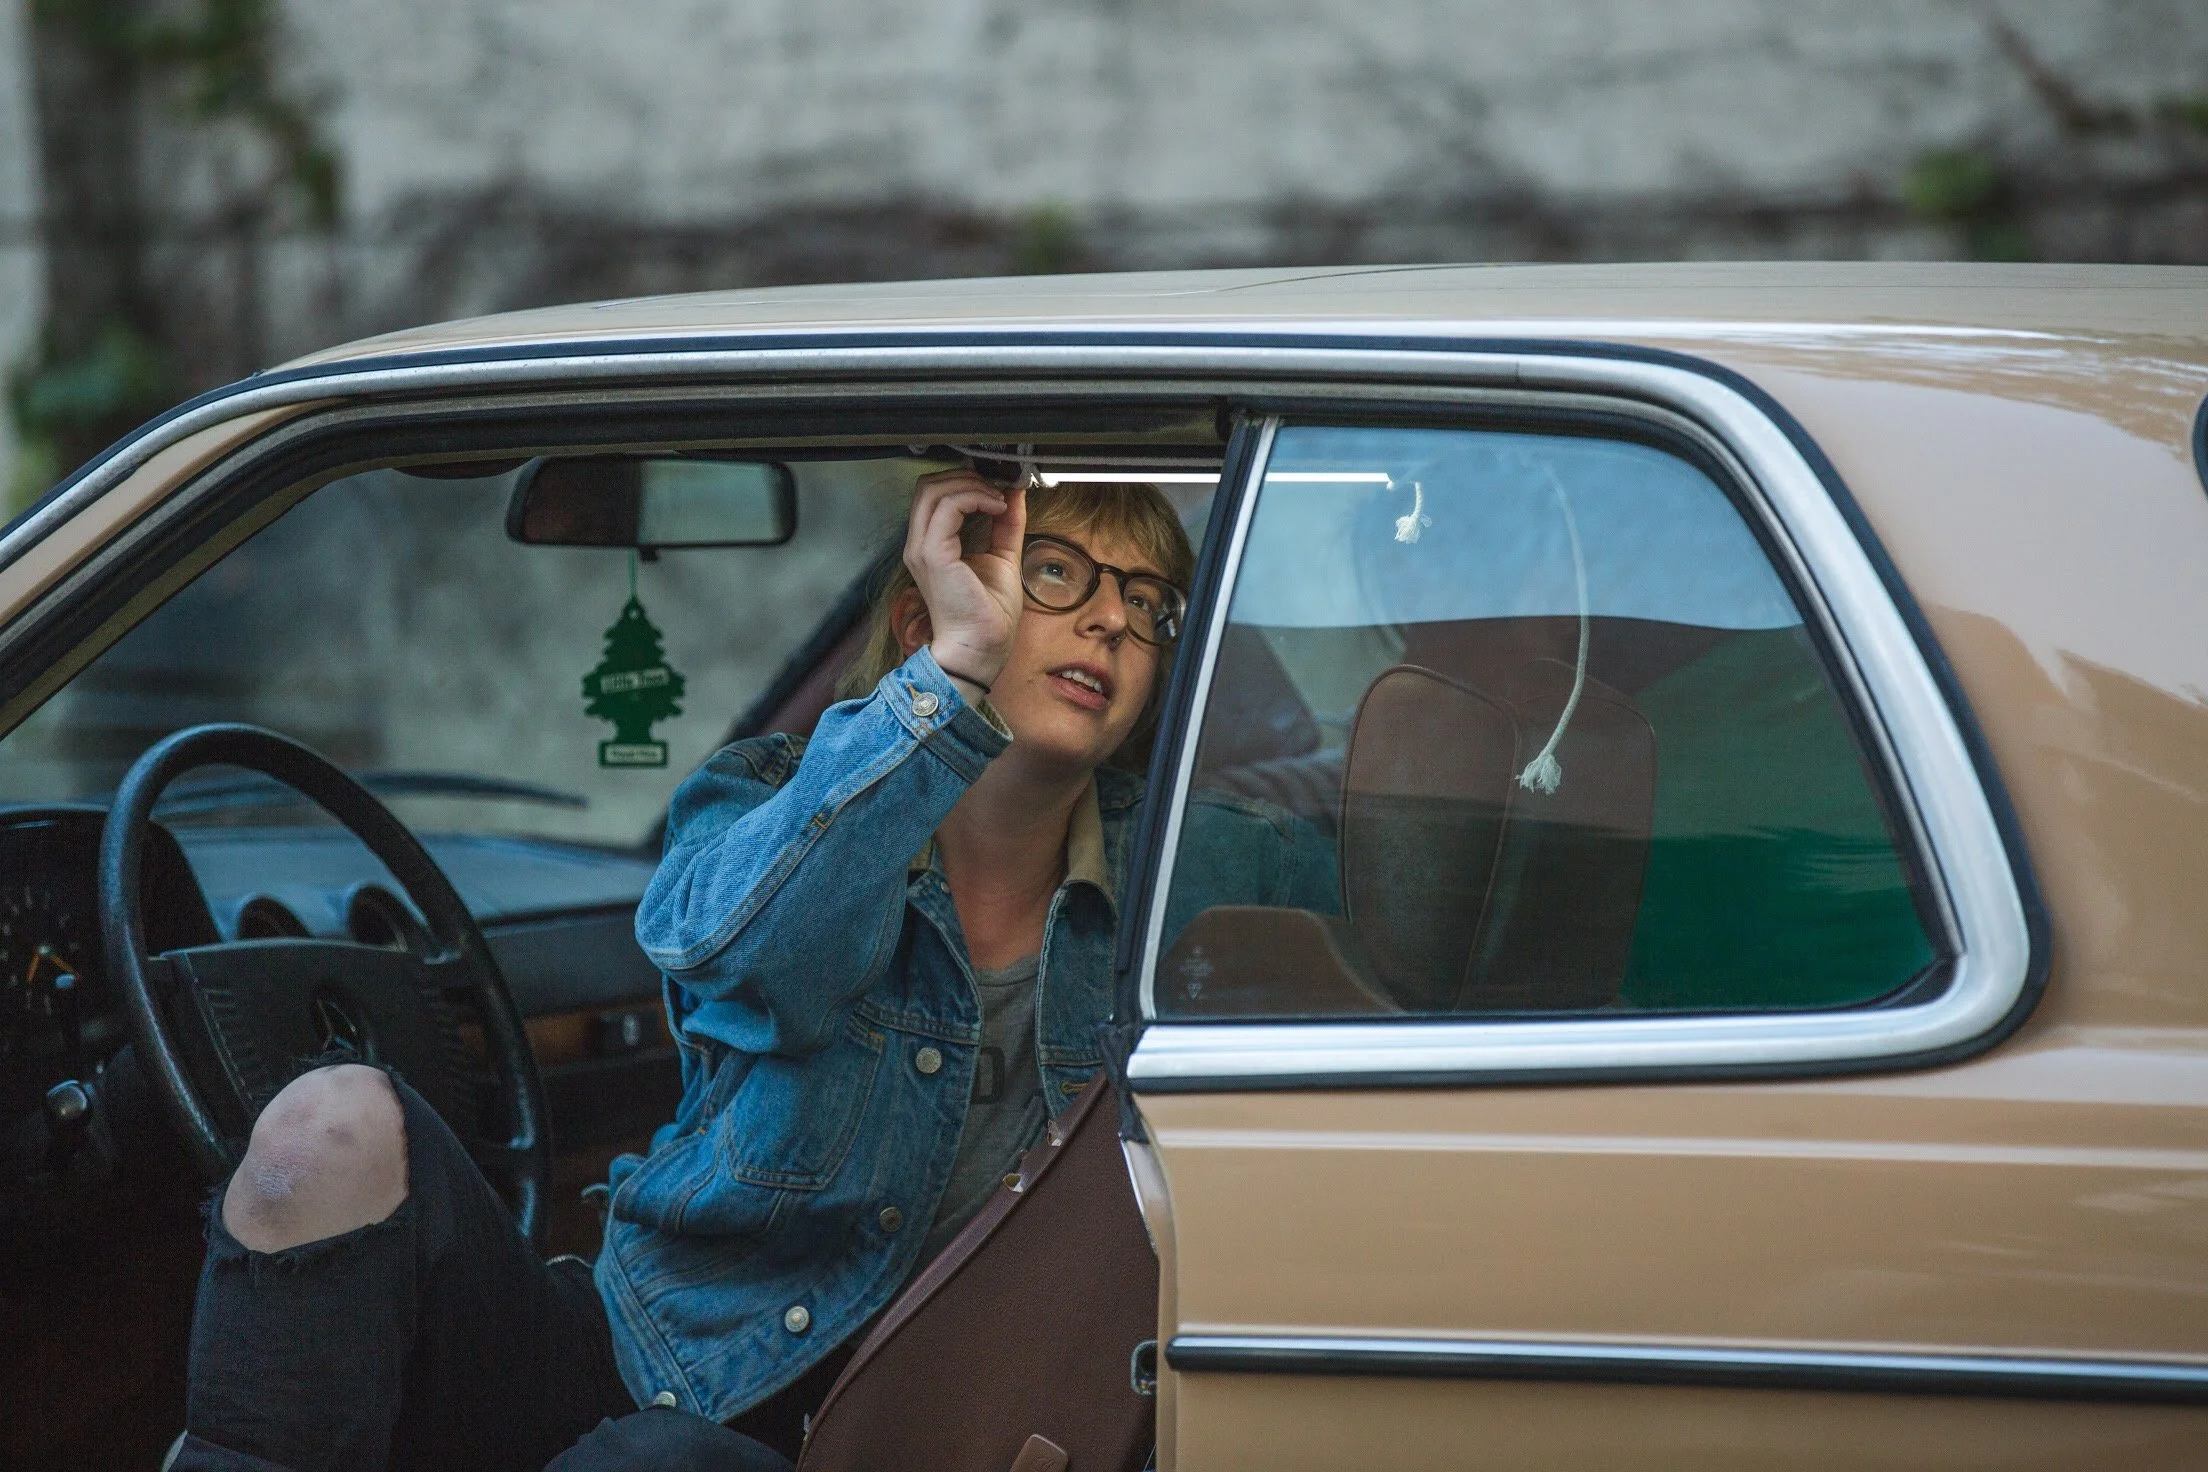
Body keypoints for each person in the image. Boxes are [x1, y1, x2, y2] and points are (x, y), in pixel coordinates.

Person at [173, 466, 1334, 1472]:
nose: (1112, 624)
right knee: (321, 1131)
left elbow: (1413, 881)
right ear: (929, 616)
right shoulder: (769, 800)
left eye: (1147, 601)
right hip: (650, 1349)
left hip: (900, 1424)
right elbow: (756, 964)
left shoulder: (1185, 862)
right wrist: (948, 687)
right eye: (1060, 575)